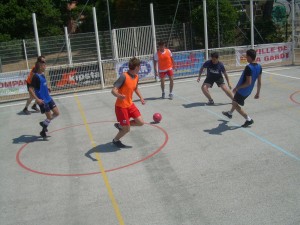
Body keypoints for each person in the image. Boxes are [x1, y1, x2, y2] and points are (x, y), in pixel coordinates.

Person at [222, 49, 262, 128]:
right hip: (249, 90)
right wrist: (258, 93)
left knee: (234, 104)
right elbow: (259, 82)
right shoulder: (259, 66)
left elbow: (248, 82)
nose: (246, 58)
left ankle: (248, 119)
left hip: (242, 90)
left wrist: (237, 88)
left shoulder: (248, 67)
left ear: (250, 57)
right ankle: (229, 113)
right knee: (235, 102)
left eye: (246, 56)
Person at [112, 57, 145, 148]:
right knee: (126, 129)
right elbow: (113, 90)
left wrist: (141, 97)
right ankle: (115, 140)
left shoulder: (136, 76)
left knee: (141, 122)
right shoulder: (124, 76)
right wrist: (119, 95)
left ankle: (120, 125)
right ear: (137, 67)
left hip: (130, 104)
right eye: (139, 66)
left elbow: (135, 88)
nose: (140, 68)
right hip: (121, 107)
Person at [28, 61, 59, 138]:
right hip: (42, 101)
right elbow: (30, 89)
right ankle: (43, 129)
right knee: (49, 117)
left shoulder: (42, 75)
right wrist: (37, 99)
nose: (45, 67)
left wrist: (47, 87)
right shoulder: (35, 77)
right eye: (44, 66)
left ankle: (43, 125)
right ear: (40, 67)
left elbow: (43, 84)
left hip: (48, 98)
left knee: (57, 113)